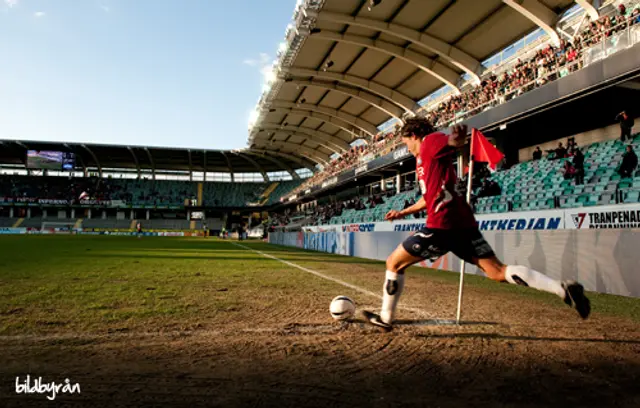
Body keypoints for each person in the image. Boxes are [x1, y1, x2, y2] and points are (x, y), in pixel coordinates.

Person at [361, 117, 590, 331]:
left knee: (394, 263)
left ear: (414, 135)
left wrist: (457, 139)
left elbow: (450, 142)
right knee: (497, 272)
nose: (407, 148)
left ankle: (385, 319)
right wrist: (403, 212)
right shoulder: (425, 162)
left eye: (405, 142)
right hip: (464, 225)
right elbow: (428, 196)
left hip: (442, 226)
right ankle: (562, 289)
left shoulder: (430, 142)